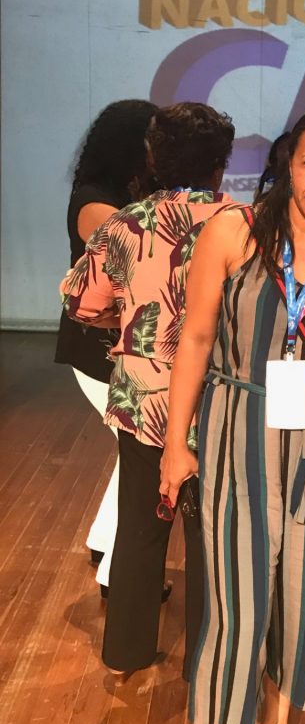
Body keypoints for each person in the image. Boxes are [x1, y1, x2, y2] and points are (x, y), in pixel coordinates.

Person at [158, 106, 305, 724]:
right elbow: (196, 338)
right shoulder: (234, 231)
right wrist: (176, 442)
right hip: (237, 429)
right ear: (286, 161)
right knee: (235, 604)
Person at [61, 102, 236, 678]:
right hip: (217, 398)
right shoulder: (244, 222)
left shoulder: (125, 224)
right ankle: (207, 663)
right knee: (212, 537)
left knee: (138, 528)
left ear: (155, 158)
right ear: (221, 162)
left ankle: (126, 653)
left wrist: (134, 321)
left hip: (143, 398)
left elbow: (81, 302)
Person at [54, 99, 158, 591]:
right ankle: (119, 573)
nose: (159, 149)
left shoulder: (124, 194)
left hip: (119, 344)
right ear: (130, 144)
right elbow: (146, 261)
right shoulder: (95, 202)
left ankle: (102, 539)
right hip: (99, 348)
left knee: (134, 449)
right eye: (153, 139)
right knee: (143, 451)